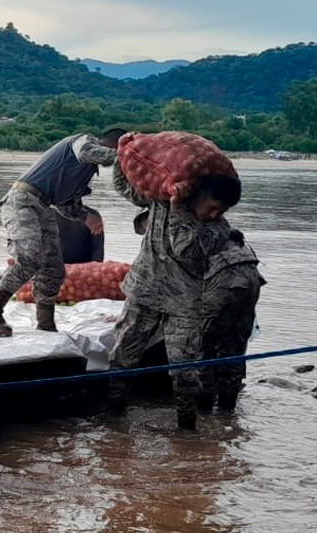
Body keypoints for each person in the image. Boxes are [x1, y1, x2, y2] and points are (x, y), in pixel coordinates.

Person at [106, 168, 241, 430]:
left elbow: (185, 248)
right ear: (200, 194)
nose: (215, 214)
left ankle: (186, 430)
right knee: (123, 356)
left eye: (222, 211)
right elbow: (127, 188)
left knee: (185, 370)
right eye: (213, 207)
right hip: (144, 292)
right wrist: (121, 157)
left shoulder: (218, 229)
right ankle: (114, 419)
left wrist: (178, 209)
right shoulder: (161, 202)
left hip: (184, 303)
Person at [0, 128, 126, 337]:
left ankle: (45, 323)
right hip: (22, 201)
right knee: (29, 257)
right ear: (113, 145)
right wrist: (124, 155)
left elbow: (66, 205)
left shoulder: (87, 172)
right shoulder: (82, 141)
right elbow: (85, 152)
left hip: (44, 207)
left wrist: (87, 217)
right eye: (118, 151)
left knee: (53, 269)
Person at [198, 227, 264, 414]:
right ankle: (228, 410)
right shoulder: (235, 240)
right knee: (234, 345)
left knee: (203, 345)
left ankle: (204, 407)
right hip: (252, 280)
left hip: (225, 282)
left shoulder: (198, 234)